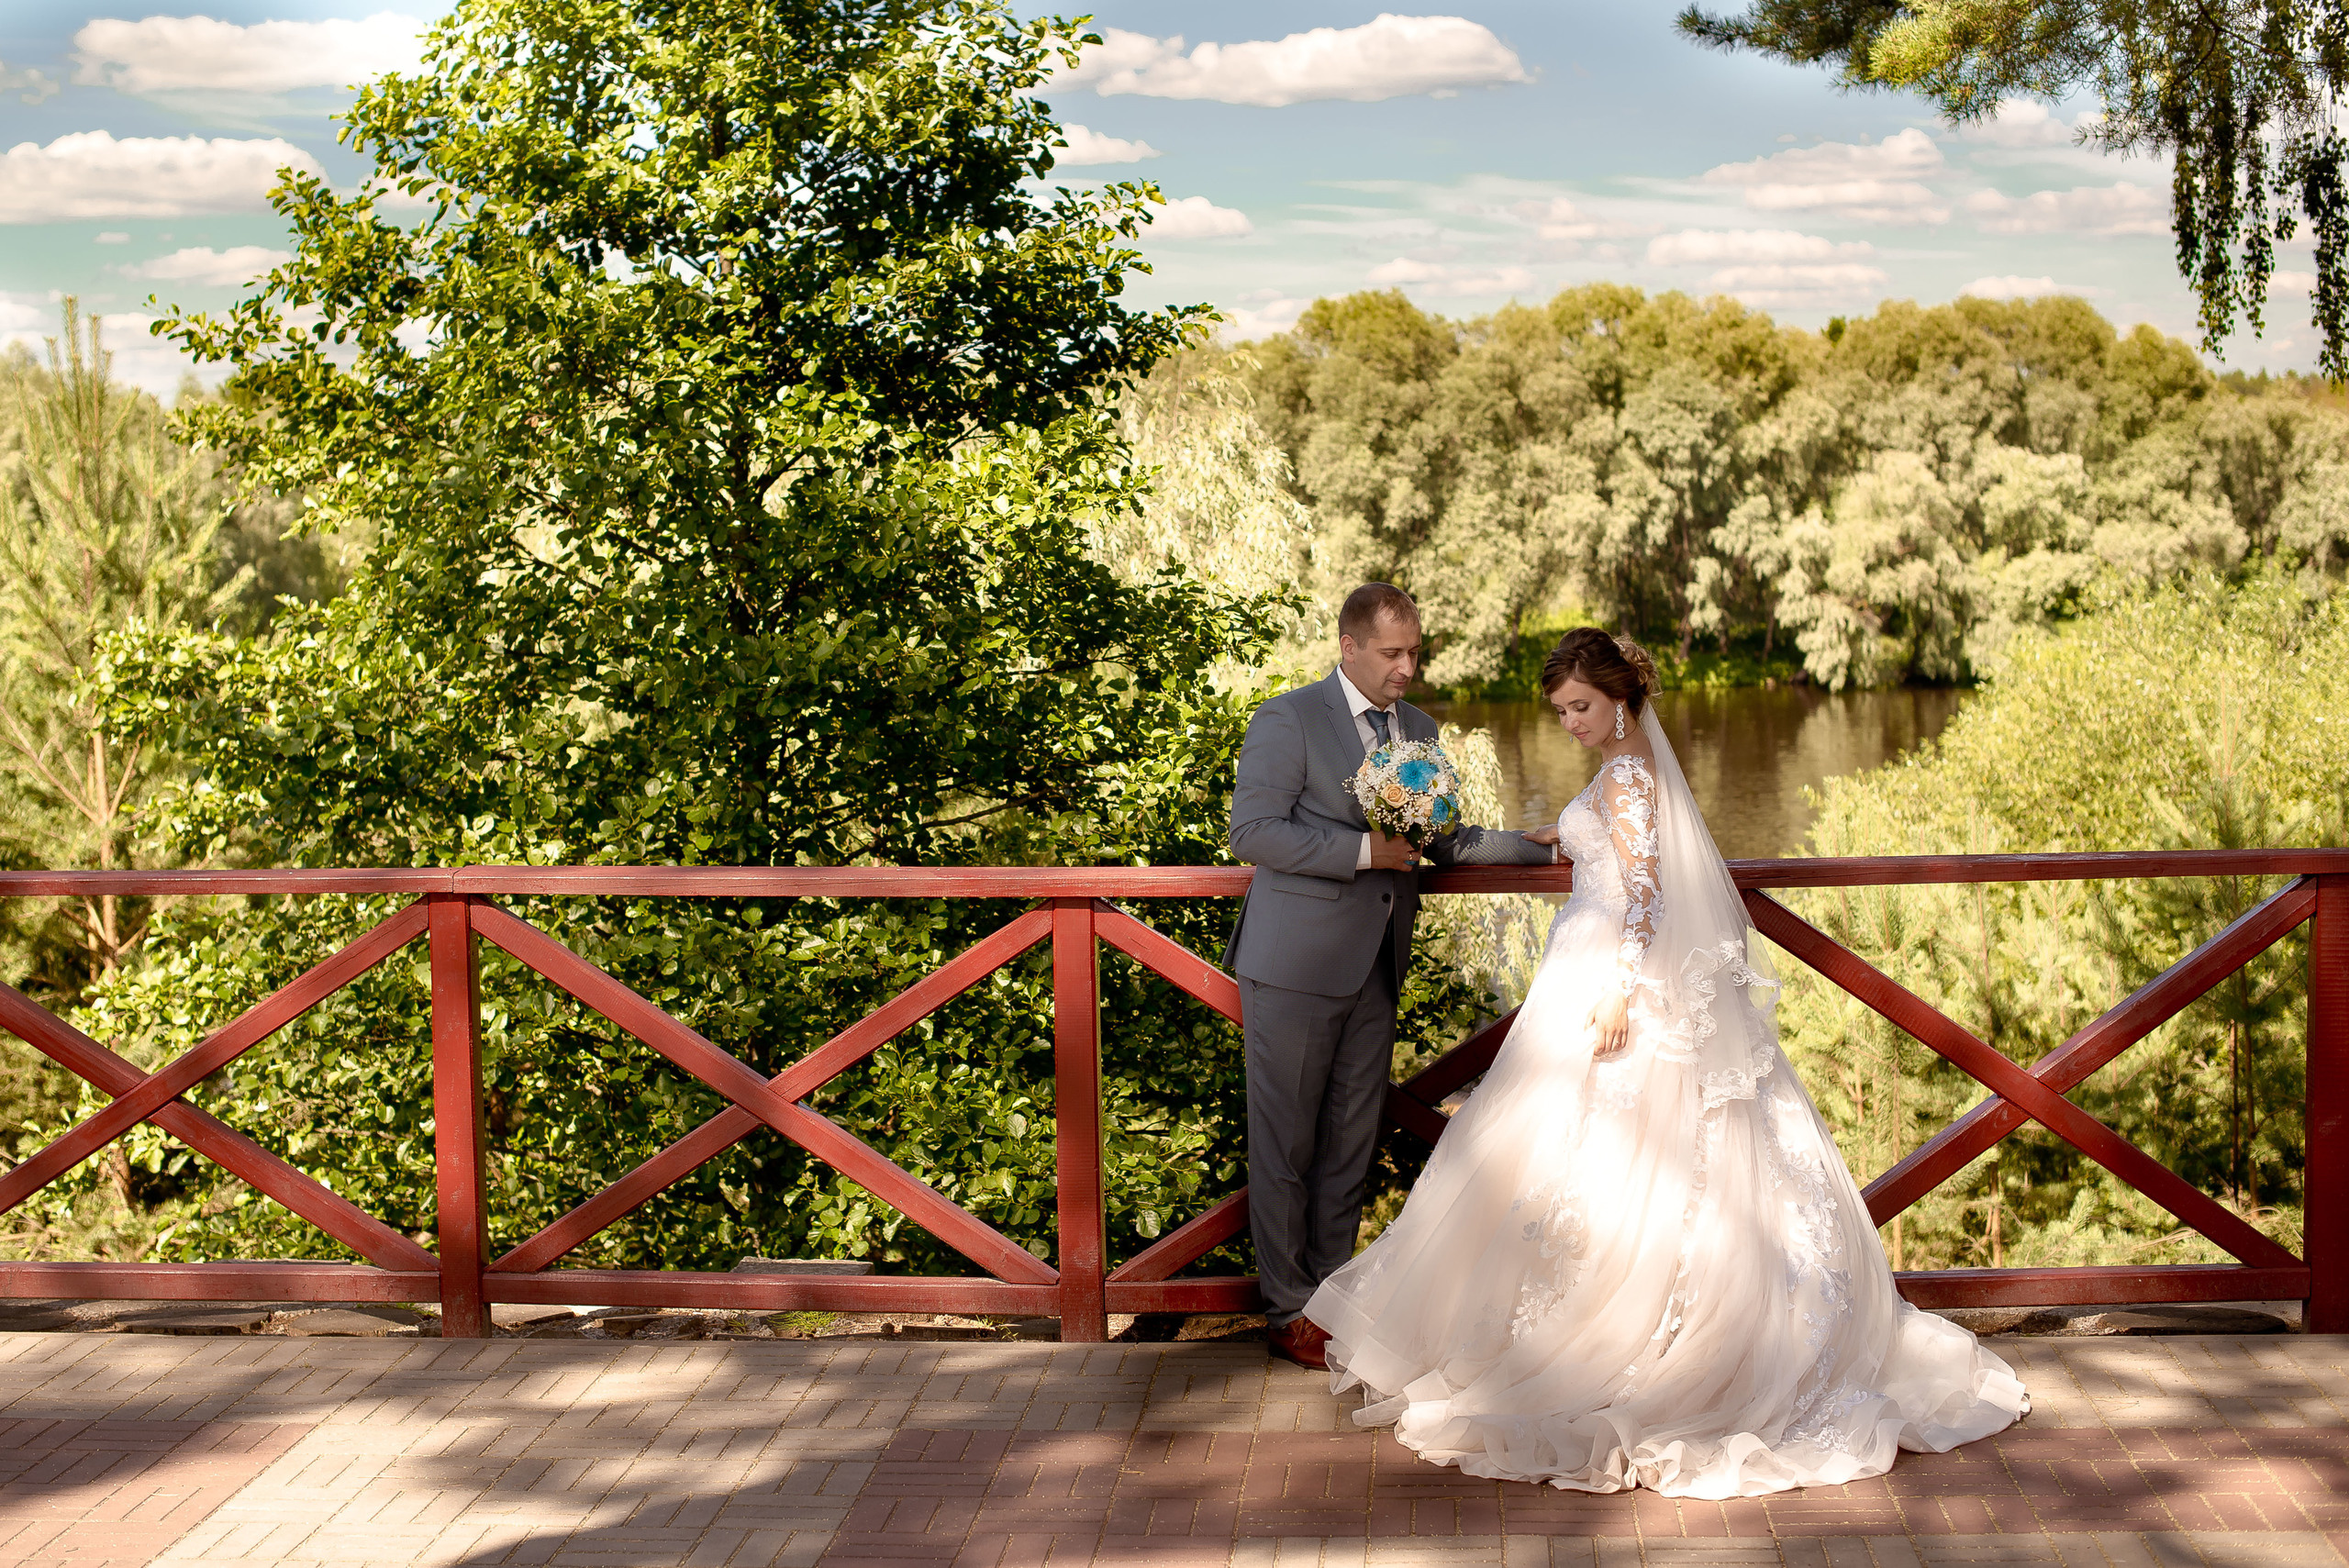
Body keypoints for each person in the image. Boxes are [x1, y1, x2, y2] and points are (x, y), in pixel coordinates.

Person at [1303, 628, 2028, 1497]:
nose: (1569, 721)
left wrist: (1617, 989)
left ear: (1620, 698)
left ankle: (1626, 1343)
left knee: (1592, 1158)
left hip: (1611, 982)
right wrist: (1563, 830)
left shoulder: (1632, 775)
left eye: (1580, 706)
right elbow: (1623, 853)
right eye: (1561, 709)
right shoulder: (1628, 770)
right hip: (1604, 966)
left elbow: (1644, 896)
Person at [1226, 583, 1561, 1372]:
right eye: (1393, 653)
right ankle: (1286, 1312)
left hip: (1378, 962)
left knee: (1351, 1140)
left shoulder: (1418, 730)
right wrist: (1359, 853)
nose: (1408, 667)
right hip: (1294, 966)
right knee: (1286, 1144)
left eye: (1415, 652)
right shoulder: (1288, 718)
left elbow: (1446, 841)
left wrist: (1543, 846)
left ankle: (1332, 1303)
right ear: (1349, 646)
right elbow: (1253, 830)